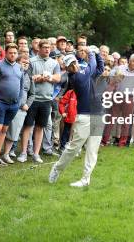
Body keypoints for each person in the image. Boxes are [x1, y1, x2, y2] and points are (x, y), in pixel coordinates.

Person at [49, 48, 104, 187]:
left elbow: (99, 68)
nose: (74, 65)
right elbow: (92, 66)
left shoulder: (85, 73)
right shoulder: (77, 77)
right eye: (70, 64)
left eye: (74, 62)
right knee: (74, 147)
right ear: (67, 68)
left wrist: (98, 54)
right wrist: (91, 53)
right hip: (85, 116)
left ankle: (86, 179)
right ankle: (57, 169)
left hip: (98, 113)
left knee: (92, 150)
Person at [17, 39, 60, 164]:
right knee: (28, 126)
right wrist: (37, 78)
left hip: (47, 99)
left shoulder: (54, 62)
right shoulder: (32, 61)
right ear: (39, 48)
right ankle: (24, 152)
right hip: (33, 99)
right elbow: (26, 78)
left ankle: (36, 153)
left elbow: (58, 77)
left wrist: (49, 77)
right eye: (45, 47)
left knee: (40, 127)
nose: (47, 49)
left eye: (49, 47)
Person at [0, 43, 25, 165]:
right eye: (10, 53)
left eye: (14, 53)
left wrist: (19, 100)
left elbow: (21, 85)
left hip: (13, 104)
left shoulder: (19, 67)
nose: (12, 55)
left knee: (4, 129)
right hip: (0, 102)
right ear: (6, 53)